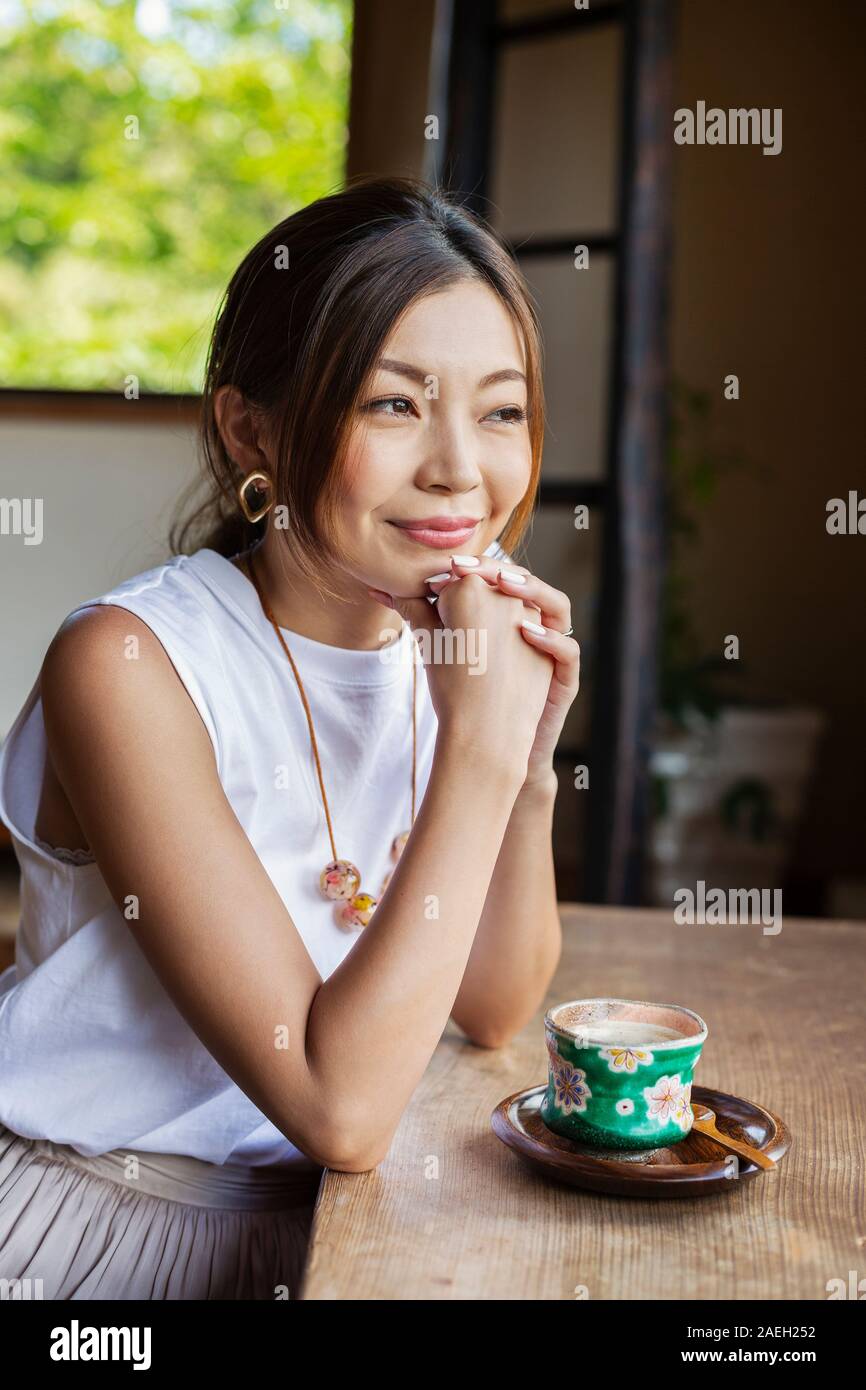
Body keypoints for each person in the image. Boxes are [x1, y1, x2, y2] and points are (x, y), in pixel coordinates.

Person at [0, 175, 580, 1299]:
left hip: (336, 1233)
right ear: (250, 428)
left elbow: (496, 1002)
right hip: (103, 1234)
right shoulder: (129, 663)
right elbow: (341, 1109)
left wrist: (521, 760)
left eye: (500, 411)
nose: (461, 468)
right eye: (393, 404)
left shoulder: (436, 647)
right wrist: (473, 753)